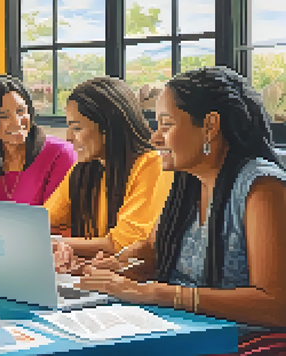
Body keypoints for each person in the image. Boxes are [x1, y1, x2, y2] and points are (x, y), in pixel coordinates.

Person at [74, 67, 286, 353]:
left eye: (166, 125)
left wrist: (151, 292)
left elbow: (275, 305)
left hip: (237, 343)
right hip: (180, 332)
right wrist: (112, 269)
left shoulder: (261, 187)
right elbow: (152, 251)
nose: (155, 138)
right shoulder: (187, 182)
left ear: (210, 126)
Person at [45, 77, 175, 262]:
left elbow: (122, 244)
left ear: (107, 128)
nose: (68, 137)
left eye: (76, 128)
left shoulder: (151, 165)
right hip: (95, 276)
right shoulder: (83, 170)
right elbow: (44, 220)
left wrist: (56, 244)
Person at [0, 74, 76, 206]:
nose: (17, 122)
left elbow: (55, 219)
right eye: (4, 116)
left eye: (21, 111)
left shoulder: (60, 154)